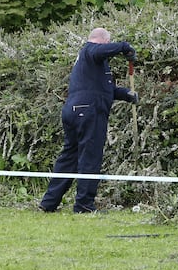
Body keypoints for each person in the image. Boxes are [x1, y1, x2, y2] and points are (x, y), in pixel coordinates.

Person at [39, 28, 138, 213]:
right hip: (88, 111)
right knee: (90, 158)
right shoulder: (90, 50)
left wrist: (127, 94)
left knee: (70, 157)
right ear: (103, 41)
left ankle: (48, 203)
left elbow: (104, 89)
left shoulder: (92, 64)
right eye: (108, 44)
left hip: (74, 110)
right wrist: (125, 48)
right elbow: (99, 50)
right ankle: (84, 205)